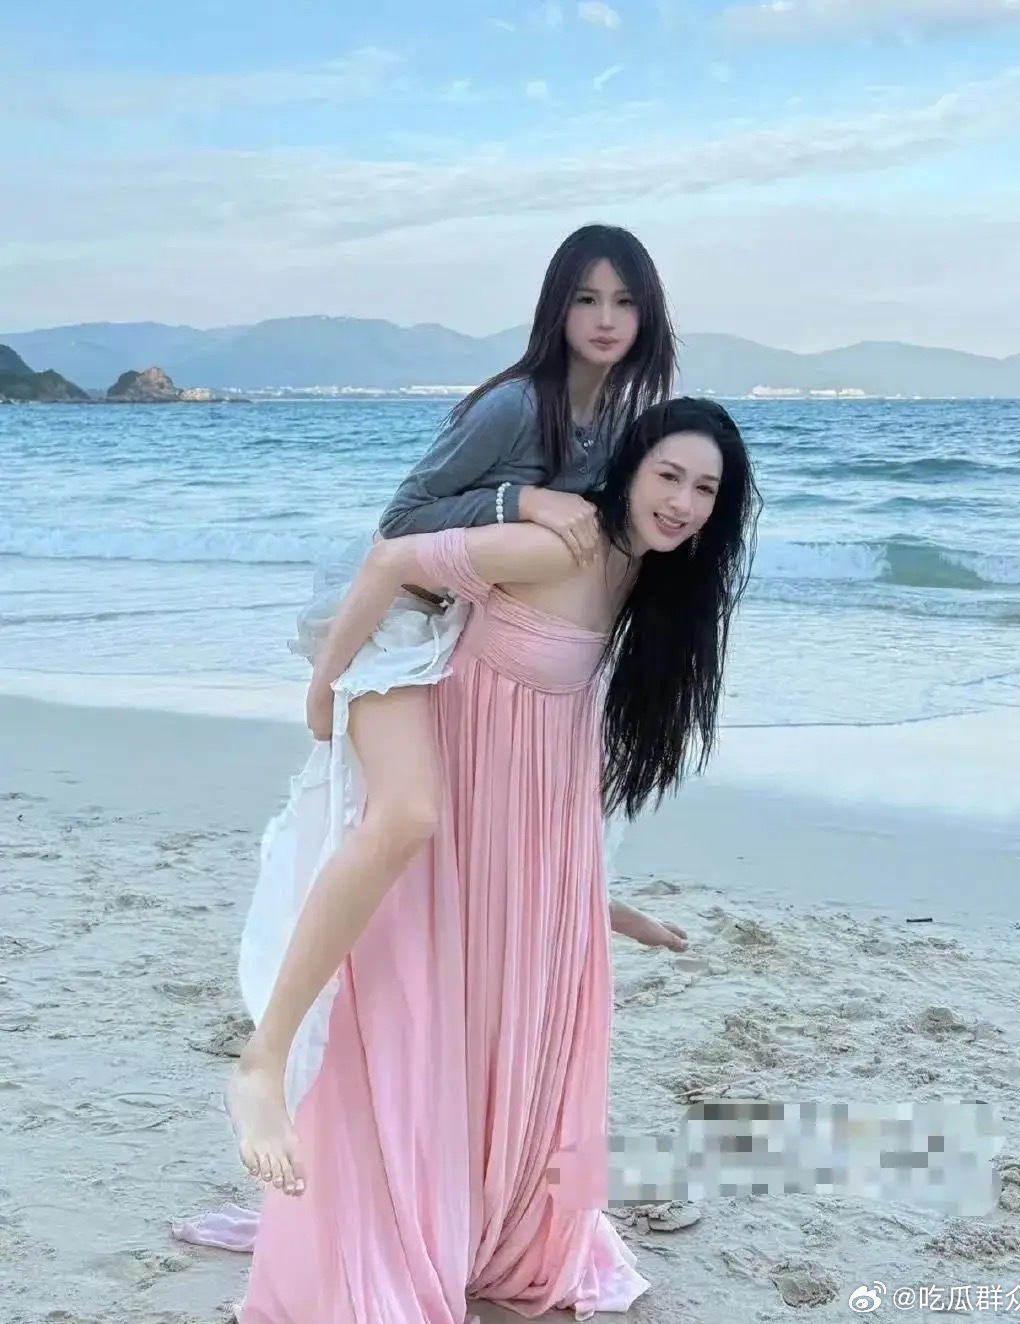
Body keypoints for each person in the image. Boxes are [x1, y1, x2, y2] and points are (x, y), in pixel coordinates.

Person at [181, 396, 761, 1323]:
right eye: (669, 476)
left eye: (706, 490)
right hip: (454, 798)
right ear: (629, 469)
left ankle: (480, 1222)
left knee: (514, 1029)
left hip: (527, 833)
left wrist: (593, 896)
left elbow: (558, 751)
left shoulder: (641, 584)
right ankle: (264, 1064)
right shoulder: (558, 550)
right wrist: (324, 692)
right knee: (410, 1014)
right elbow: (391, 559)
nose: (684, 503)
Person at [225, 223, 680, 1183]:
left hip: (457, 628)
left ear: (649, 316)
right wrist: (520, 503)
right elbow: (398, 523)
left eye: (624, 301)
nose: (605, 319)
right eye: (587, 299)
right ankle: (262, 1061)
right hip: (392, 620)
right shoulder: (517, 404)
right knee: (409, 817)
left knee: (457, 840)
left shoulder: (615, 422)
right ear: (556, 308)